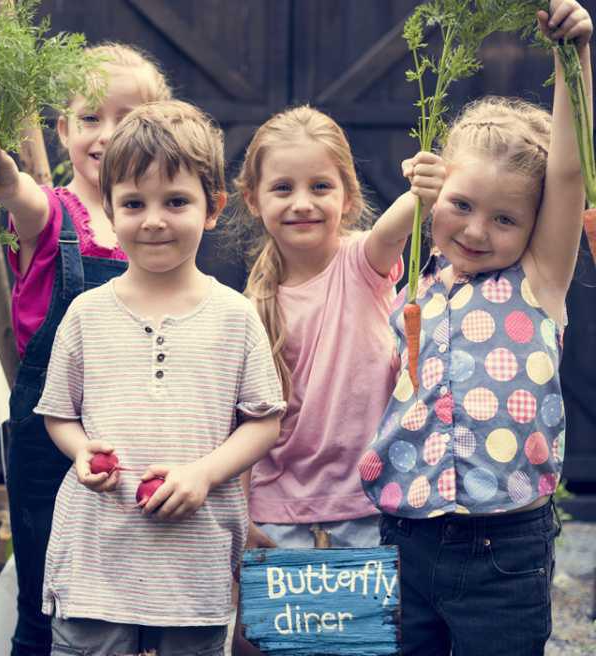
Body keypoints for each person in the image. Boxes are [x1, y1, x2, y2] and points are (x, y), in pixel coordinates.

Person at [361, 2, 591, 653]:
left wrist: (572, 58)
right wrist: (420, 196)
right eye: (461, 205)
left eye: (504, 219)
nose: (475, 230)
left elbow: (570, 175)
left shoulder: (538, 281)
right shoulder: (413, 277)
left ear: (534, 226)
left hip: (504, 548)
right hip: (404, 536)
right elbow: (364, 257)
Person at [36, 100, 286, 655]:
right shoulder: (86, 313)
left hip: (192, 565)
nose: (153, 219)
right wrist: (80, 452)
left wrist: (203, 474)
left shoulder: (234, 315)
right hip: (97, 559)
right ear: (110, 208)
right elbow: (59, 413)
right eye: (133, 203)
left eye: (176, 201)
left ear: (213, 207)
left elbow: (264, 422)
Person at [0, 43, 172, 655]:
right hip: (51, 437)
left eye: (128, 118)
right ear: (61, 129)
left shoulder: (161, 223)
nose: (106, 135)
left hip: (146, 431)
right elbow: (24, 200)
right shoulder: (53, 212)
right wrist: (5, 179)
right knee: (45, 602)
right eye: (89, 118)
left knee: (139, 601)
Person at [234, 105, 444, 550]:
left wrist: (422, 186)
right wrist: (241, 515)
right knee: (286, 622)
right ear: (253, 199)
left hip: (370, 505)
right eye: (283, 188)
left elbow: (397, 224)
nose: (302, 203)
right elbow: (244, 419)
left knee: (372, 623)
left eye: (321, 186)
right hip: (278, 515)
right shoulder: (251, 304)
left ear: (347, 196)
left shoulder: (363, 263)